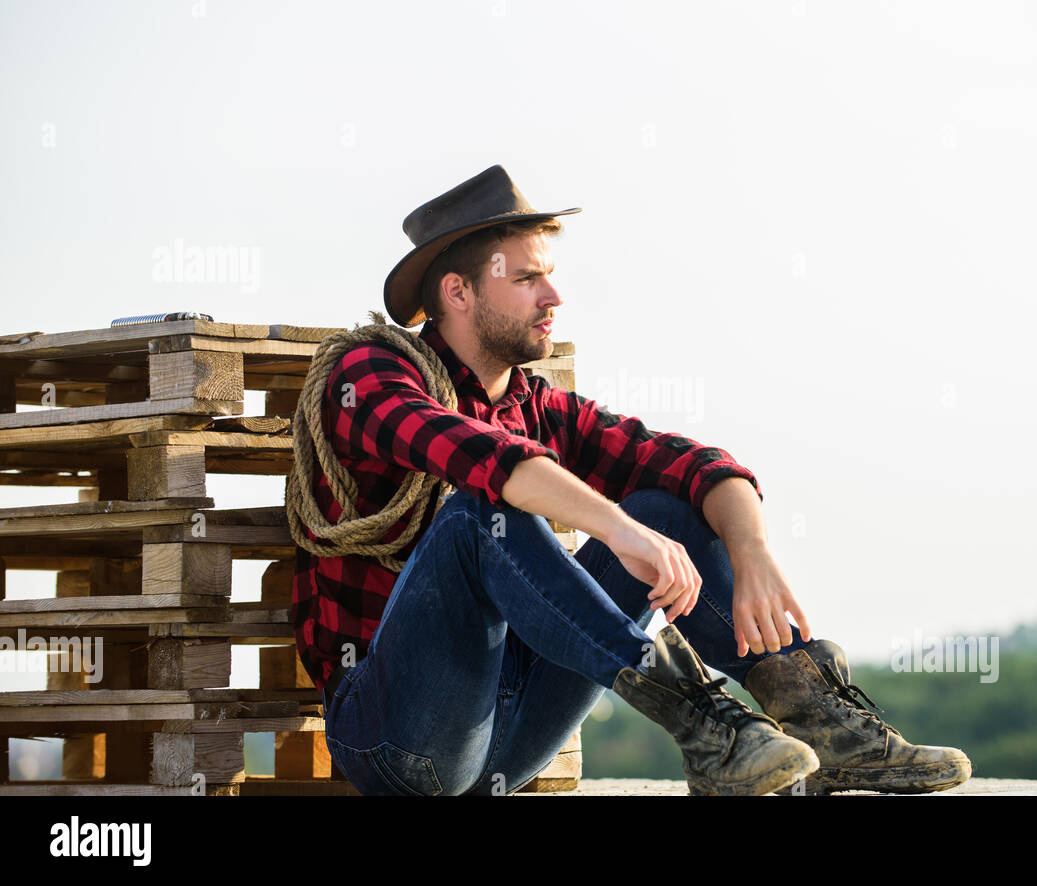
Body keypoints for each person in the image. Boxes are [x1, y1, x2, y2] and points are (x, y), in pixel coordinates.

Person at [293, 164, 972, 795]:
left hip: (511, 734)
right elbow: (478, 456)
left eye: (550, 276)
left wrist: (752, 553)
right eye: (528, 278)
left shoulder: (539, 410)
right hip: (400, 743)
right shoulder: (370, 376)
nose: (554, 296)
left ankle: (820, 722)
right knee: (479, 515)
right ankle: (700, 720)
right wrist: (618, 531)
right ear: (458, 291)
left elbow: (701, 465)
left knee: (670, 506)